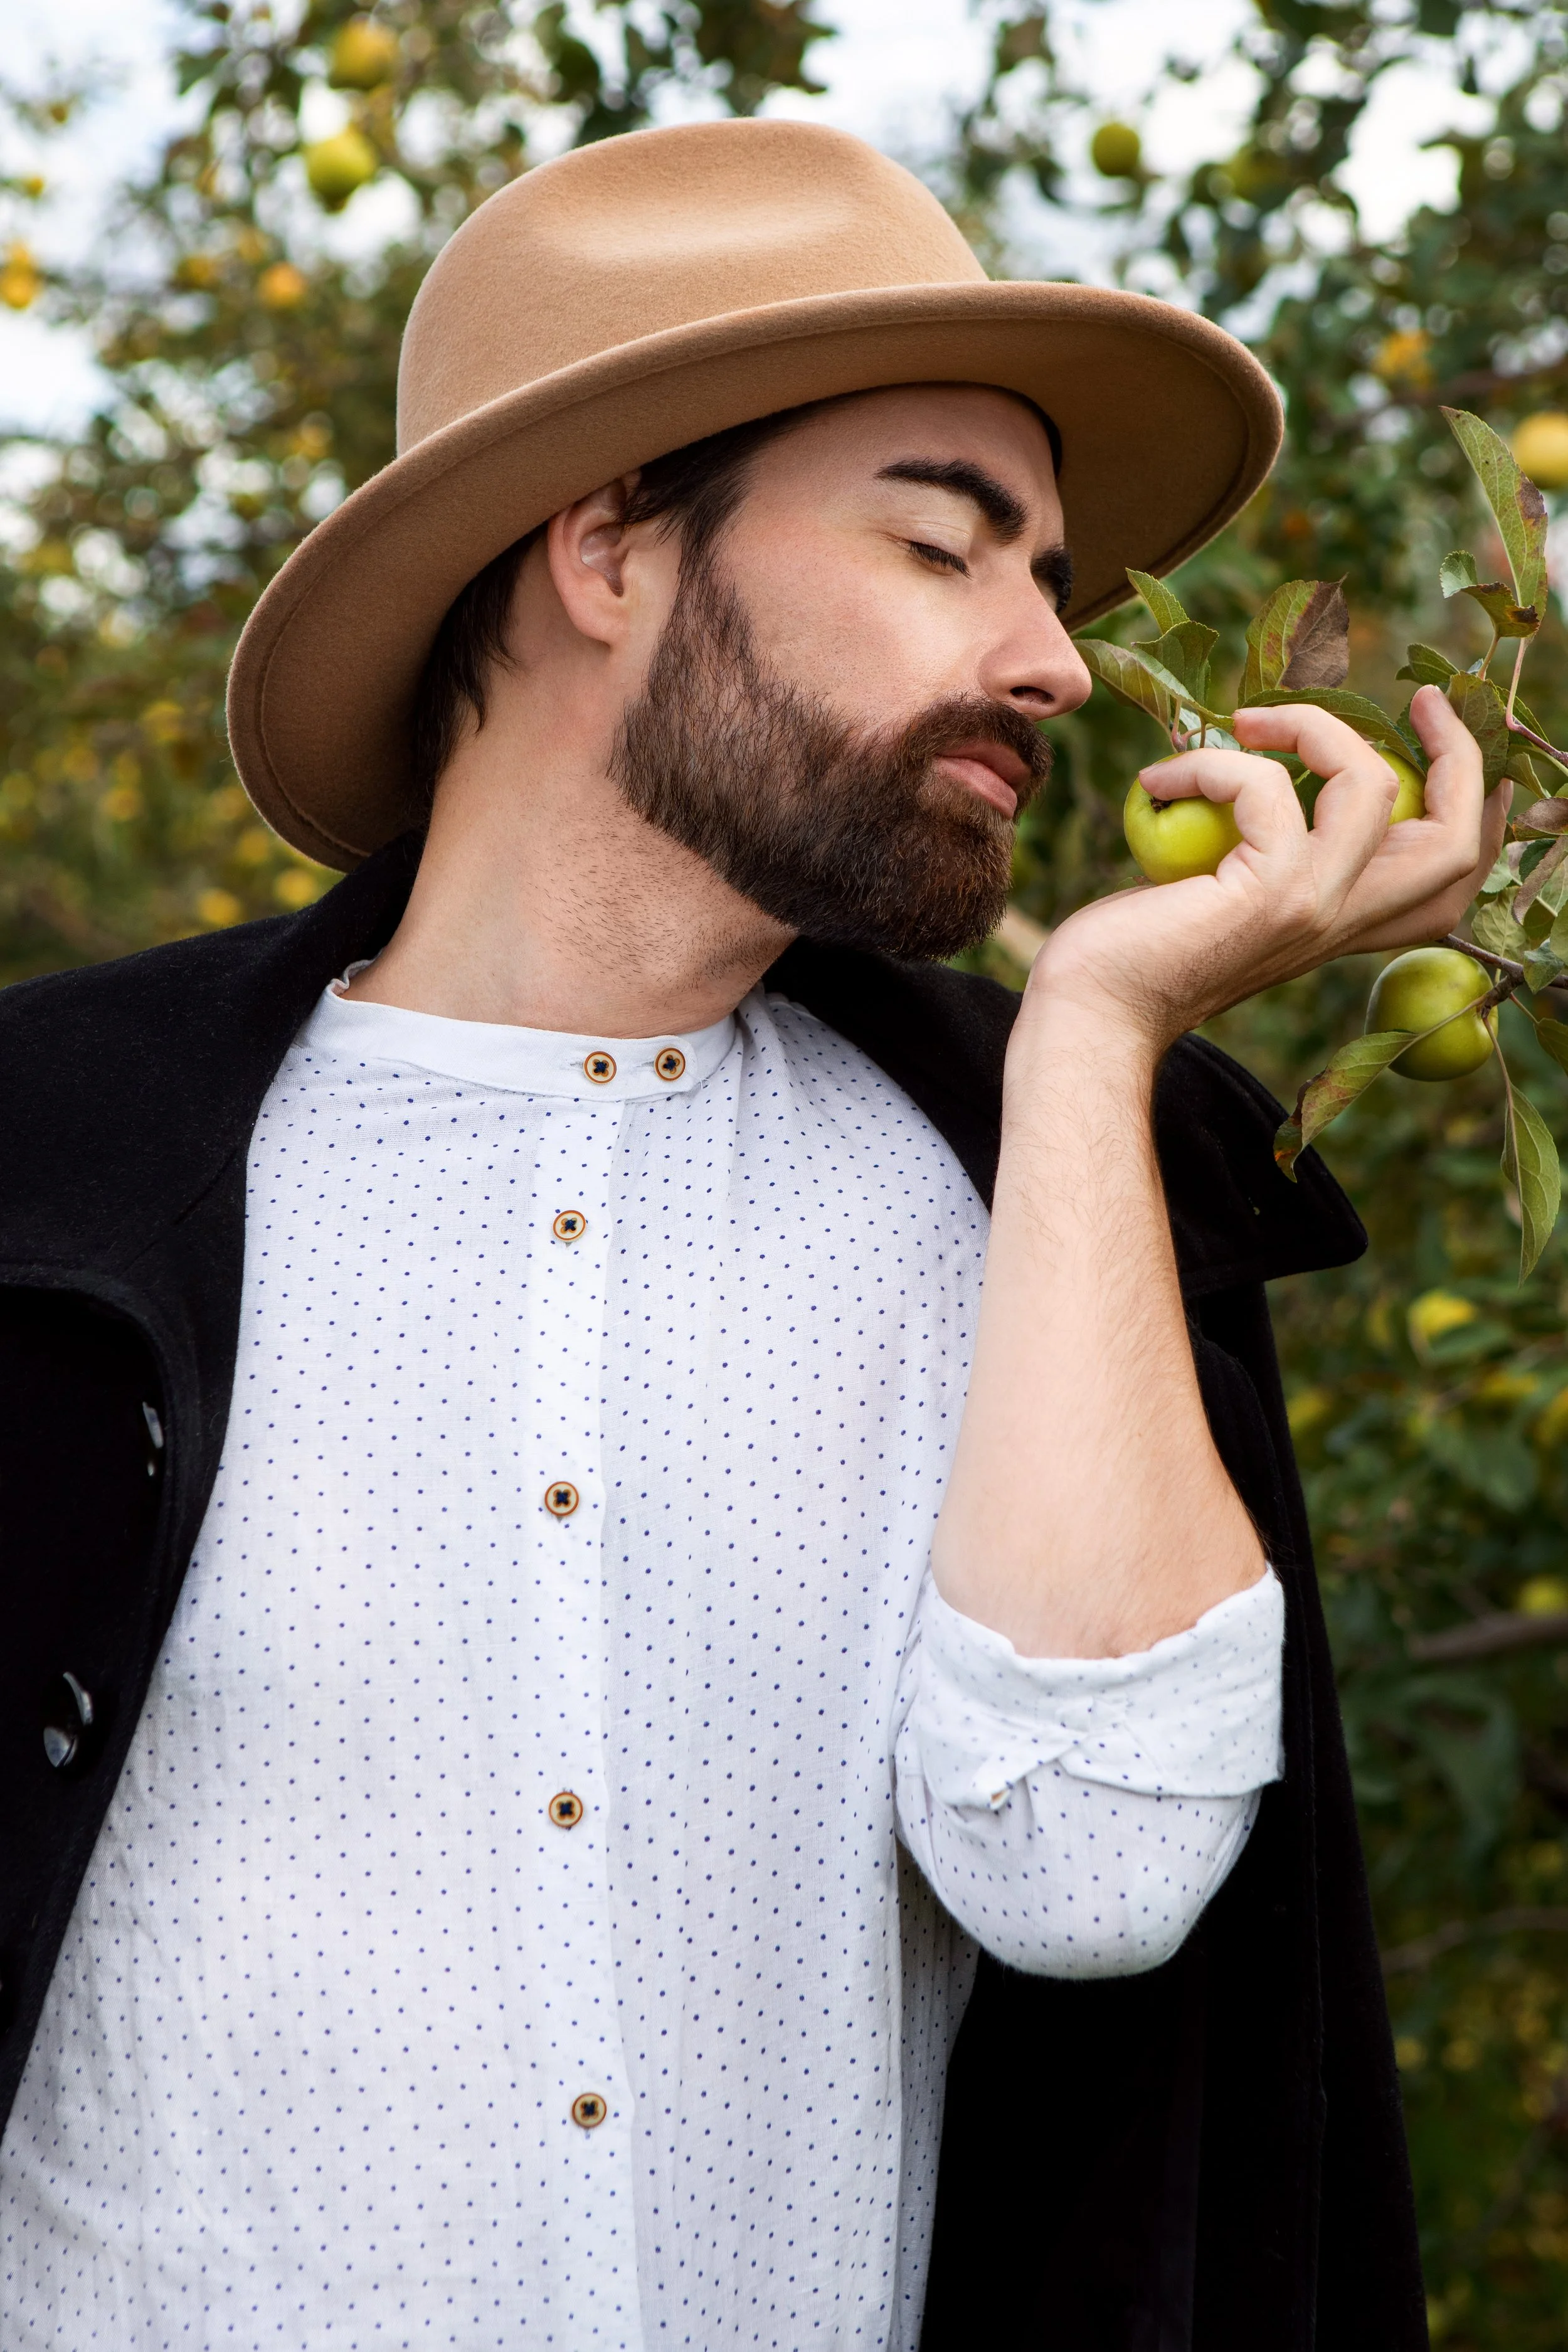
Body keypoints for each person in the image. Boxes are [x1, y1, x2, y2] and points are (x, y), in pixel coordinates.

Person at [0, 120, 1498, 2350]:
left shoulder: (1053, 1182)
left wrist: (1088, 1038)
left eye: (1052, 584)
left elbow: (1093, 1880)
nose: (1055, 663)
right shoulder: (48, 1172)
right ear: (604, 546)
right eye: (941, 548)